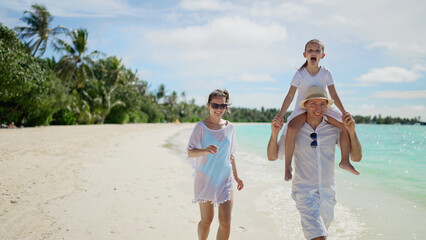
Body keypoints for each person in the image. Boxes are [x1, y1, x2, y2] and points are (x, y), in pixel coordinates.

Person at [267, 86, 362, 240]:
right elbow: (272, 156)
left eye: (322, 104)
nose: (318, 109)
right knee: (319, 237)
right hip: (305, 192)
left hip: (328, 194)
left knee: (318, 236)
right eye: (313, 104)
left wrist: (352, 131)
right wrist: (274, 134)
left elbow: (357, 157)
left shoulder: (334, 129)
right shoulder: (294, 130)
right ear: (305, 105)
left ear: (327, 106)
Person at [276, 39, 359, 181]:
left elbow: (333, 95)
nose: (313, 53)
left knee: (345, 126)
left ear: (322, 55)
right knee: (291, 128)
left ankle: (345, 160)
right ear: (304, 54)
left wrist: (344, 112)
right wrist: (281, 114)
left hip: (323, 108)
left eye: (317, 51)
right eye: (310, 50)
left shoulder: (326, 73)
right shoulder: (300, 74)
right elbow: (290, 95)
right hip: (303, 108)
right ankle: (287, 166)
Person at [187, 89, 244, 240]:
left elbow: (231, 155)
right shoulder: (201, 127)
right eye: (215, 105)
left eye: (222, 106)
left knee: (225, 221)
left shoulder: (230, 128)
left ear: (226, 107)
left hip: (225, 178)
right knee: (207, 220)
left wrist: (237, 177)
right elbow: (190, 152)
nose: (219, 109)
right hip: (205, 178)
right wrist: (204, 150)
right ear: (208, 105)